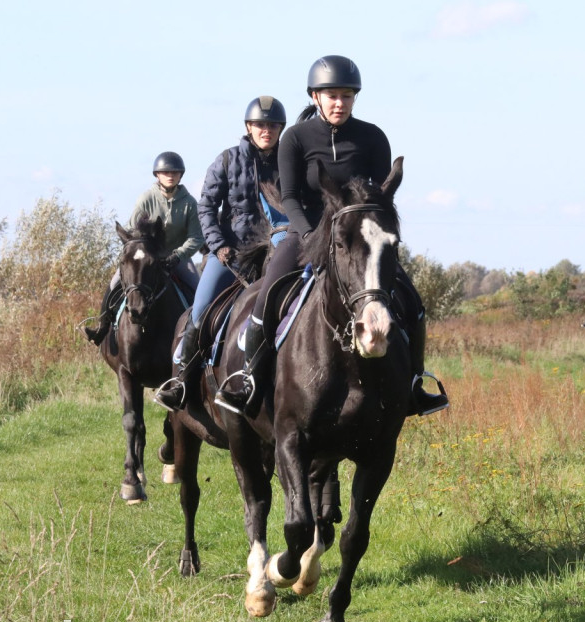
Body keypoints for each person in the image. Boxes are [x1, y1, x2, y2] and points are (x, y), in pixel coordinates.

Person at [214, 55, 449, 418]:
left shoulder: (372, 137)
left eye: (346, 96)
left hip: (357, 239)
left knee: (411, 301)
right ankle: (249, 379)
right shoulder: (295, 138)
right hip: (305, 233)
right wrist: (309, 235)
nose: (339, 103)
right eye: (331, 95)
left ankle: (415, 385)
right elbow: (289, 196)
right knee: (268, 290)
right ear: (315, 97)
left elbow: (380, 198)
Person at [155, 97, 289, 411]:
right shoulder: (227, 160)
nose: (266, 130)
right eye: (260, 125)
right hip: (233, 252)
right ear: (248, 127)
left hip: (277, 251)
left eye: (272, 125)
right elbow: (206, 207)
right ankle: (181, 382)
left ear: (280, 129)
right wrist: (217, 245)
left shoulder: (290, 161)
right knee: (200, 311)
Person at [83, 152, 204, 345]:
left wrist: (178, 255)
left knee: (199, 290)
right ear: (157, 174)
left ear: (181, 175)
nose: (170, 175)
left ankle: (199, 335)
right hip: (147, 257)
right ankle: (102, 327)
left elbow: (196, 237)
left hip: (177, 258)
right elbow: (132, 231)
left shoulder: (190, 203)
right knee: (114, 284)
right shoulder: (146, 199)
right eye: (165, 172)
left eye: (174, 172)